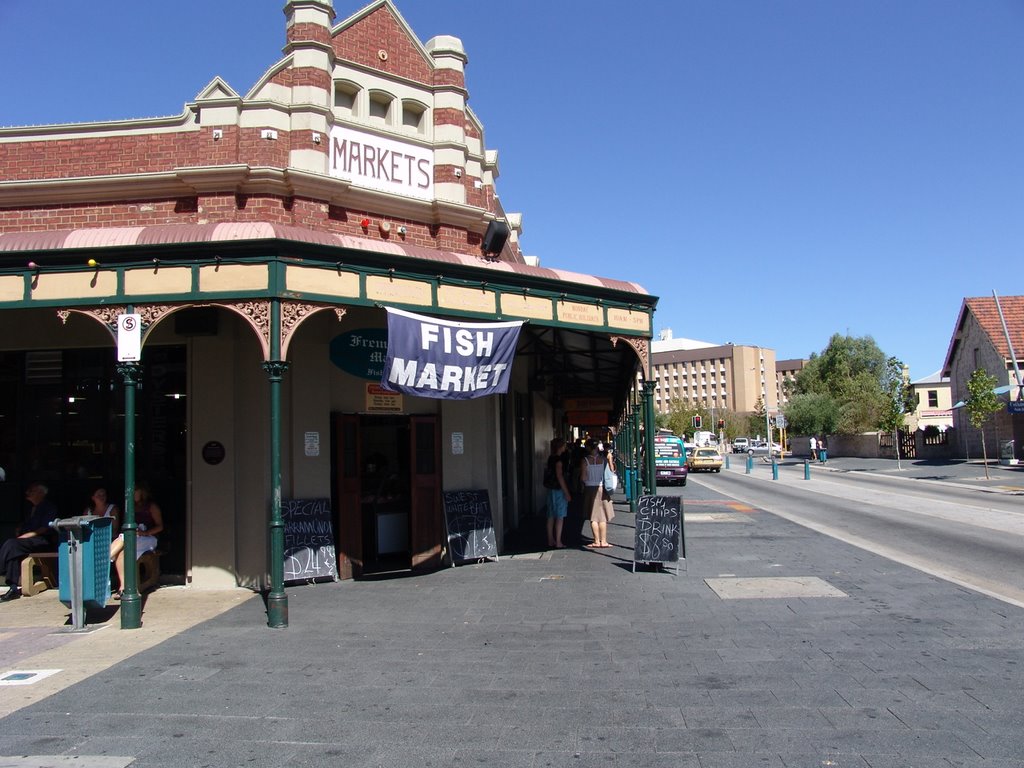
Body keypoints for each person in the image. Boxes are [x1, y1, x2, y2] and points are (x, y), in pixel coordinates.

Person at [1, 483, 60, 602]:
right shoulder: (32, 509)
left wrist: (28, 534)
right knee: (13, 550)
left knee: (12, 544)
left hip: (43, 541)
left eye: (32, 491)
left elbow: (45, 527)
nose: (28, 493)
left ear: (41, 493)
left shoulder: (49, 507)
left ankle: (2, 570)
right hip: (29, 542)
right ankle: (13, 588)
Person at [109, 483, 164, 598]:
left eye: (135, 491)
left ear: (142, 492)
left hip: (149, 538)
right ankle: (123, 587)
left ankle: (105, 558)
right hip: (133, 537)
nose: (132, 494)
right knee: (121, 551)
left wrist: (145, 532)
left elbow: (160, 526)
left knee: (124, 539)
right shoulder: (130, 506)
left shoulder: (151, 506)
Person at [580, 439, 615, 549]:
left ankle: (596, 541)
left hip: (590, 489)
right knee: (603, 517)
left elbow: (583, 477)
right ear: (597, 448)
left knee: (593, 517)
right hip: (602, 488)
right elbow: (609, 473)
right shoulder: (603, 460)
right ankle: (604, 541)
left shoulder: (585, 461)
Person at [543, 438, 572, 549]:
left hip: (550, 489)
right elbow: (560, 476)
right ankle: (558, 541)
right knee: (560, 516)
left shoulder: (551, 458)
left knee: (550, 515)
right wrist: (567, 493)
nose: (565, 447)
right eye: (564, 445)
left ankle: (551, 539)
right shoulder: (559, 461)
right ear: (560, 447)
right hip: (558, 490)